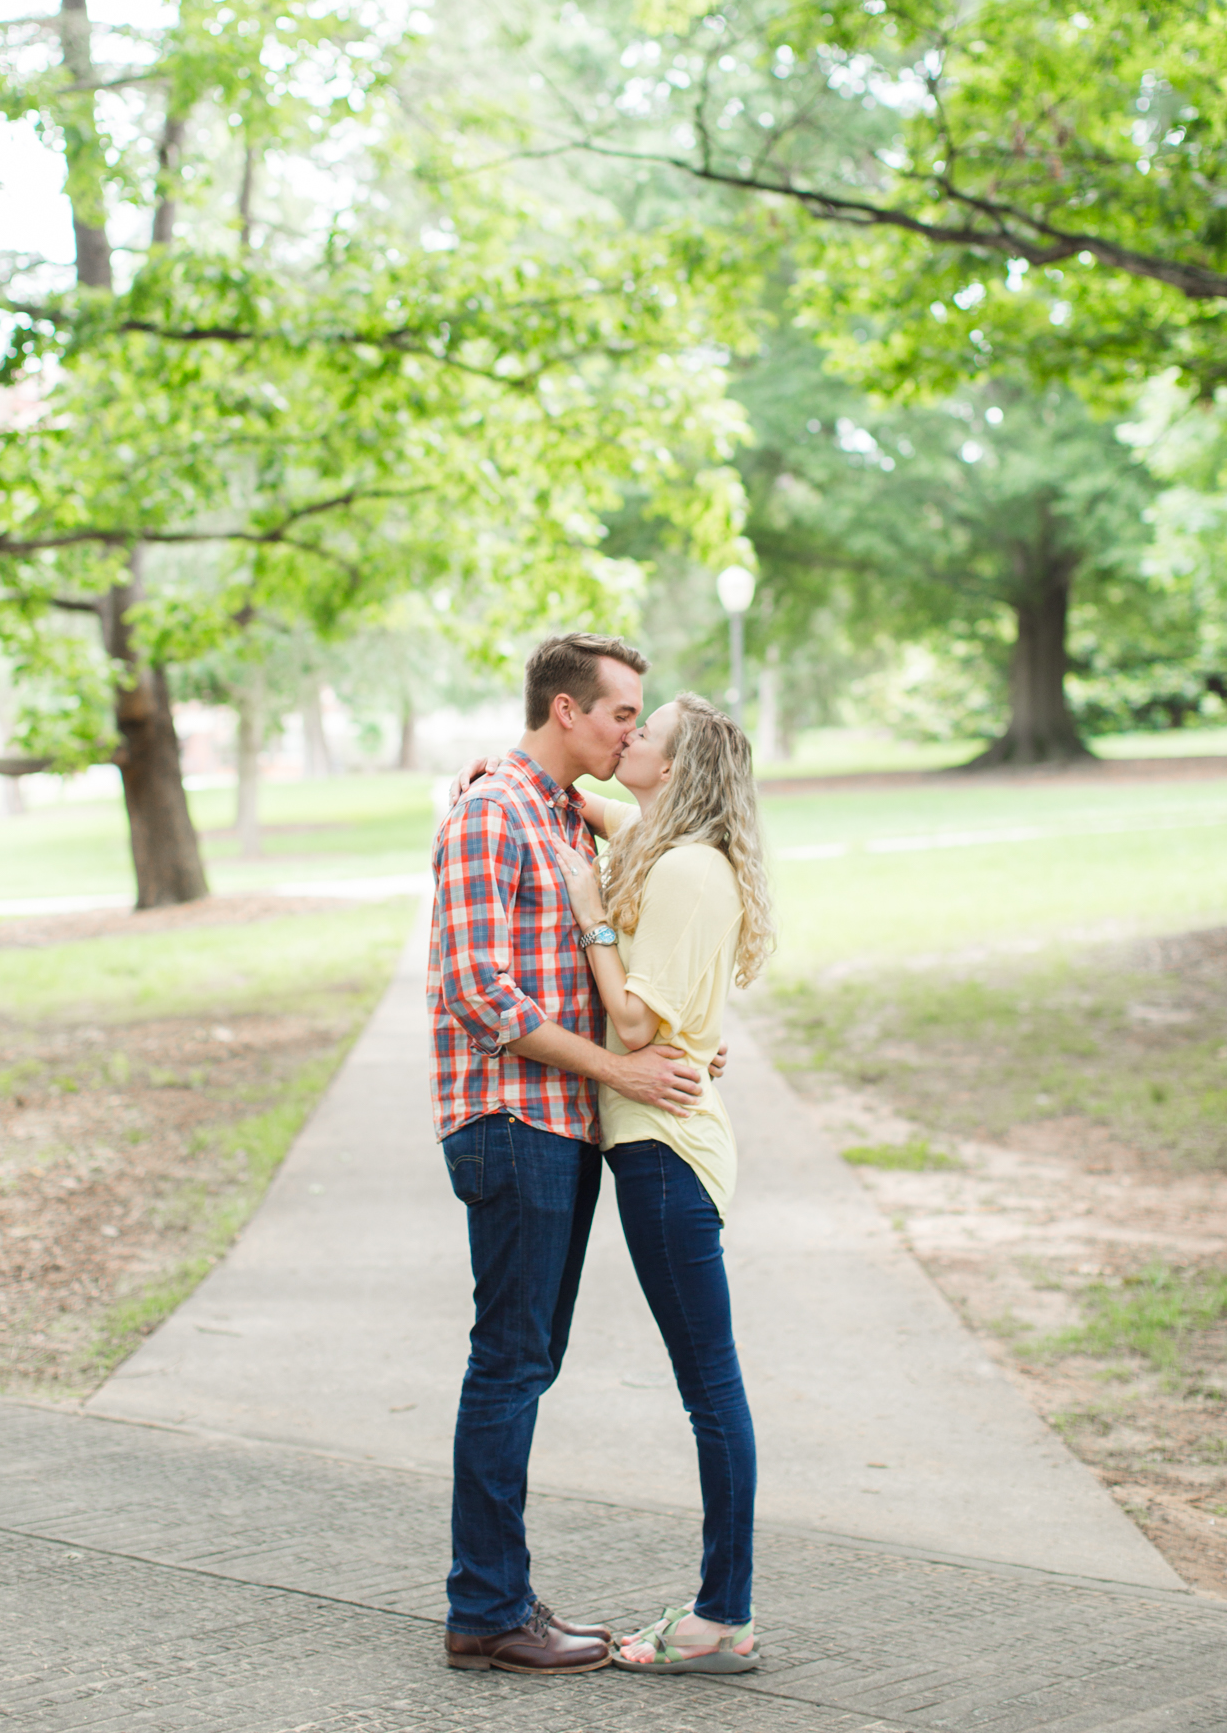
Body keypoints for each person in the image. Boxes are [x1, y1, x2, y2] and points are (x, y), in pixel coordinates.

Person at [428, 632, 708, 1676]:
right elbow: (478, 989)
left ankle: (496, 1592)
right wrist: (621, 1072)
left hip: (558, 1124)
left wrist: (665, 1041)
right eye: (622, 713)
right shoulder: (496, 811)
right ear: (565, 710)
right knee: (508, 1362)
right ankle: (487, 1609)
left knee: (524, 1362)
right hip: (510, 1123)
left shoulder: (556, 815)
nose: (632, 730)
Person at [550, 690, 774, 1675]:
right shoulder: (669, 847)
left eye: (648, 732)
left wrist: (593, 915)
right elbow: (606, 814)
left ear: (680, 766)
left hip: (667, 1149)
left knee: (710, 1388)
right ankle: (722, 1606)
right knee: (707, 1384)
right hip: (655, 1143)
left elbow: (636, 1028)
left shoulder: (686, 870)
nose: (629, 737)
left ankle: (724, 1615)